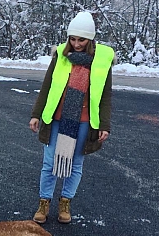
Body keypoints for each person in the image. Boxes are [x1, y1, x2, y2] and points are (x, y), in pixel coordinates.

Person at [28, 11, 114, 224]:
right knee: (49, 163)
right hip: (55, 118)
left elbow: (105, 94)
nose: (76, 44)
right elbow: (47, 86)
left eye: (81, 39)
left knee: (75, 164)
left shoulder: (102, 60)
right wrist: (36, 114)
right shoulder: (60, 56)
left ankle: (65, 202)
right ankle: (44, 202)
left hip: (85, 121)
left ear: (90, 39)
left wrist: (104, 124)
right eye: (73, 39)